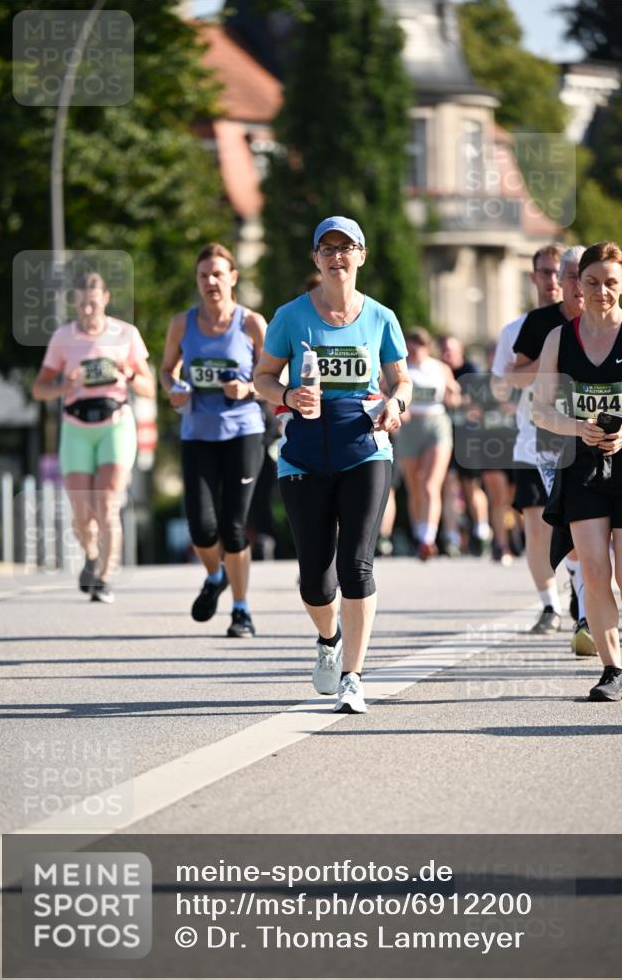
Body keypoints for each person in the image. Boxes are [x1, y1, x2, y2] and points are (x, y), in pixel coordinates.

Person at [253, 216, 411, 714]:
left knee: (356, 565)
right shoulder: (291, 316)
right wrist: (285, 395)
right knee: (315, 581)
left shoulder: (382, 317)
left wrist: (396, 405)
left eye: (347, 248)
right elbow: (261, 377)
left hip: (364, 448)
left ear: (361, 256)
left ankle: (353, 677)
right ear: (315, 258)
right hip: (302, 454)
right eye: (327, 248)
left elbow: (402, 380)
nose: (337, 257)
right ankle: (329, 639)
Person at [533, 241, 622, 702]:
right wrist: (576, 427)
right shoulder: (560, 339)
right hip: (583, 466)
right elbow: (540, 409)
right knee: (596, 574)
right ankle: (611, 670)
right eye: (592, 283)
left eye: (610, 284)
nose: (601, 292)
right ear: (577, 284)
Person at [160, 243, 266, 637]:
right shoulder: (181, 324)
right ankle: (215, 574)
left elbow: (278, 377)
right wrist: (174, 390)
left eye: (218, 274)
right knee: (201, 528)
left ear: (233, 278)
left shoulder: (251, 323)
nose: (210, 282)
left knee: (234, 527)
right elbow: (167, 371)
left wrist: (250, 388)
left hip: (243, 431)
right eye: (204, 275)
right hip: (197, 433)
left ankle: (241, 611)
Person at [32, 272, 155, 603]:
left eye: (93, 302)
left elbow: (148, 387)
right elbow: (39, 388)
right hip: (75, 426)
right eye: (82, 303)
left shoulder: (125, 334)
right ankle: (90, 554)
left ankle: (104, 577)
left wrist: (127, 374)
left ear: (105, 300)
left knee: (107, 503)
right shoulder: (63, 338)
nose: (88, 309)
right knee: (82, 513)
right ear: (75, 302)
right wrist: (63, 386)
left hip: (115, 422)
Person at [507, 246, 595, 653]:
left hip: (598, 436)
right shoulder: (539, 323)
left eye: (583, 274)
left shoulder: (608, 321)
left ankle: (586, 603)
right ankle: (582, 612)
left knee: (594, 528)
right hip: (549, 438)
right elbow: (514, 376)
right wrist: (549, 362)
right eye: (570, 275)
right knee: (569, 525)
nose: (575, 284)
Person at [394, 328, 460, 560]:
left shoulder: (439, 368)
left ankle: (427, 539)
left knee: (431, 485)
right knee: (414, 485)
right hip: (410, 427)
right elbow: (384, 391)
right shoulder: (400, 367)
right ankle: (418, 531)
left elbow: (454, 398)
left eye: (417, 349)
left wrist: (454, 393)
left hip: (436, 424)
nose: (413, 353)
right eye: (409, 349)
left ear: (427, 348)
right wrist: (397, 408)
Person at [440, 336, 492, 557]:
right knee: (448, 484)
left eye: (451, 350)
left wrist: (457, 398)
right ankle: (451, 536)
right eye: (444, 350)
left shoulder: (472, 370)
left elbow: (477, 404)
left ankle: (482, 531)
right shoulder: (439, 370)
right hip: (445, 436)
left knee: (471, 485)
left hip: (468, 437)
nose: (447, 354)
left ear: (460, 351)